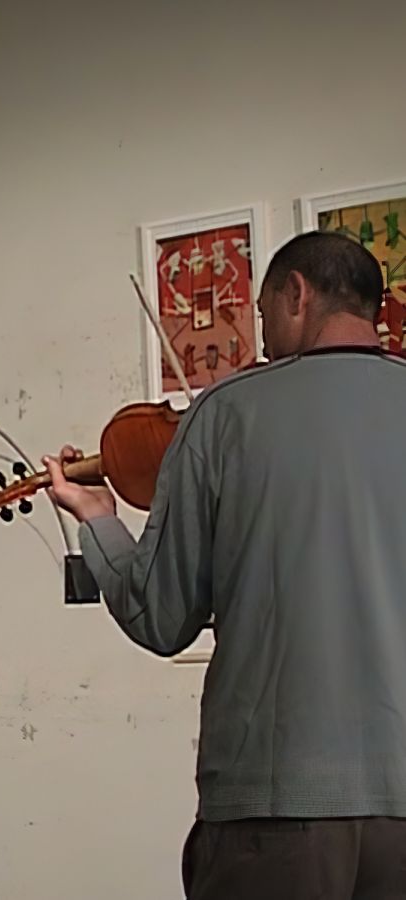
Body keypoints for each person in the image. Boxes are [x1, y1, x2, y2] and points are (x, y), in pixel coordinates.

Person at [44, 230, 406, 899]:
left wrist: (98, 519)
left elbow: (158, 615)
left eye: (263, 313)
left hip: (277, 804)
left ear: (296, 293)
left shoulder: (228, 413)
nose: (263, 338)